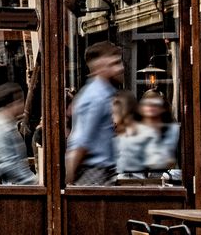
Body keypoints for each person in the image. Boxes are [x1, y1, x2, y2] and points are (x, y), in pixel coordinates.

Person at [66, 41, 125, 186]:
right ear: (100, 66)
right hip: (93, 174)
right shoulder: (96, 96)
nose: (121, 68)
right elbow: (81, 143)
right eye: (114, 63)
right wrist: (67, 183)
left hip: (101, 172)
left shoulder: (104, 93)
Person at [115, 90, 181, 181]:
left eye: (157, 104)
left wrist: (169, 175)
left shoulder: (174, 131)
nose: (152, 108)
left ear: (164, 108)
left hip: (165, 183)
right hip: (135, 183)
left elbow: (183, 168)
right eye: (148, 104)